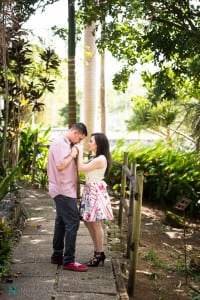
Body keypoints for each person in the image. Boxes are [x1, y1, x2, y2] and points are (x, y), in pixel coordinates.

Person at [47, 122, 88, 272]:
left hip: (64, 189)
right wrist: (73, 154)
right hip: (63, 190)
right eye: (80, 139)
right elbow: (60, 165)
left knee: (61, 222)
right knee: (73, 223)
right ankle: (69, 261)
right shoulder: (61, 143)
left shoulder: (64, 143)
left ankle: (57, 255)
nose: (79, 142)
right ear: (75, 133)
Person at [77, 133, 114, 267]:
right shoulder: (97, 158)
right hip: (90, 191)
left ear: (98, 144)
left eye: (91, 141)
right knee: (88, 222)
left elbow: (80, 168)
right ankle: (98, 251)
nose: (89, 143)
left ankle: (99, 253)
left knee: (96, 224)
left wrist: (79, 151)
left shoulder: (101, 159)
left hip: (95, 192)